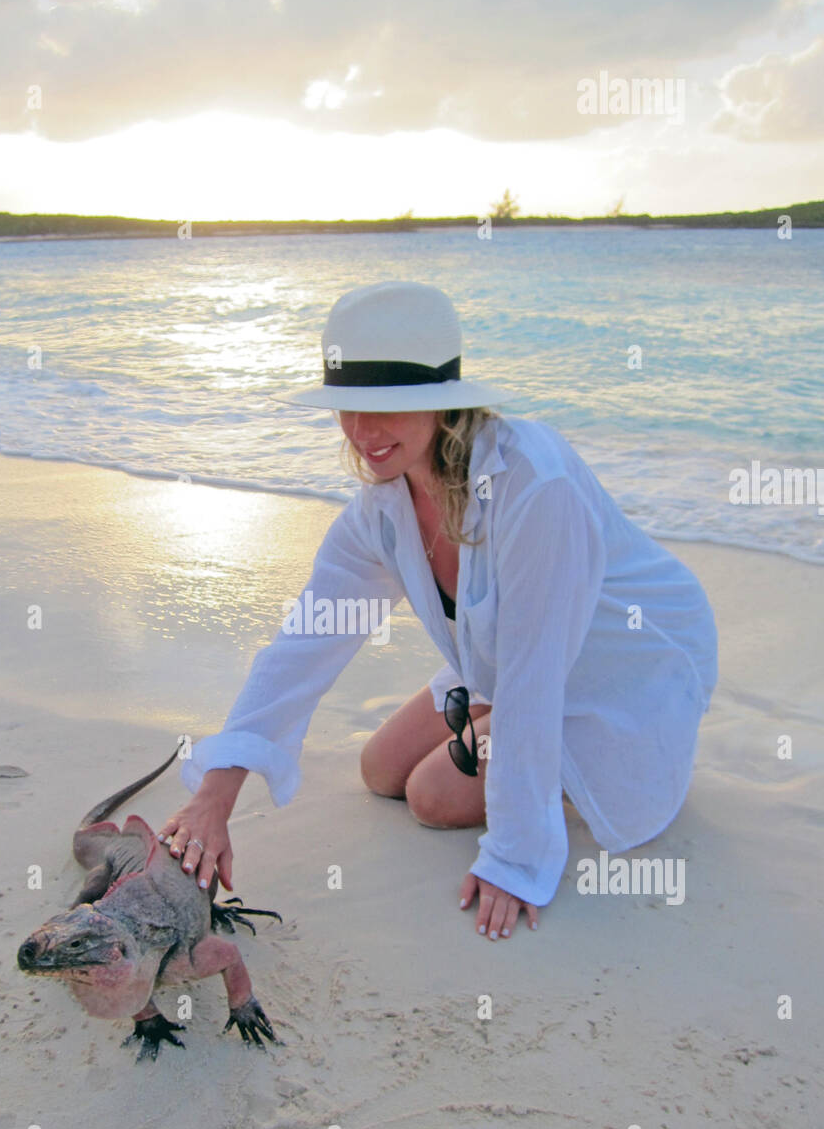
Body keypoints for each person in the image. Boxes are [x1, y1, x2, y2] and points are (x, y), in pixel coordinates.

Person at [159, 281, 718, 942]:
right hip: (517, 663)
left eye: (386, 408)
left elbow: (537, 672)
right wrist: (213, 796)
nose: (362, 433)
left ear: (440, 406)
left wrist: (514, 858)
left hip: (625, 666)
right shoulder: (382, 508)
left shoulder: (535, 486)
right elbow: (303, 643)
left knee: (430, 796)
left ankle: (533, 743)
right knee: (380, 770)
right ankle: (483, 713)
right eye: (347, 408)